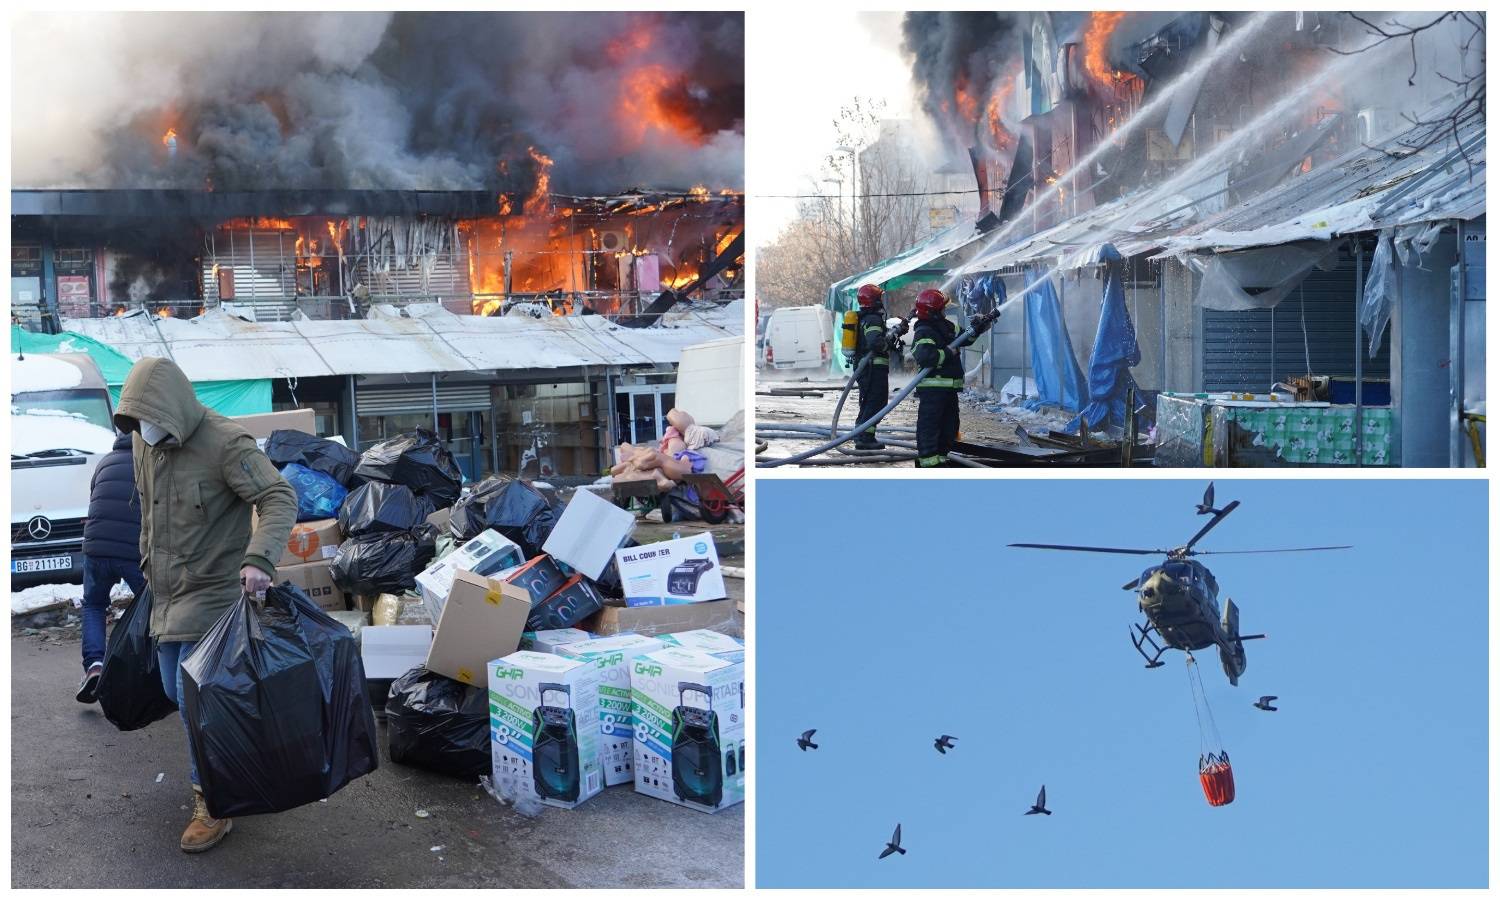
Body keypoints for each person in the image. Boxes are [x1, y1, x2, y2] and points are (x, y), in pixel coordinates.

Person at [113, 357, 296, 854]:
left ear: (174, 409)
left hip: (215, 593)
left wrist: (260, 558)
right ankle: (232, 757)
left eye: (151, 420)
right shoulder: (141, 441)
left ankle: (213, 803)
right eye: (136, 422)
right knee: (182, 696)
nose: (145, 431)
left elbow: (279, 496)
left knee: (192, 698)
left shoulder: (225, 442)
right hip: (166, 594)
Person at [75, 430, 146, 704]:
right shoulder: (149, 462)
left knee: (93, 605)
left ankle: (95, 666)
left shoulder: (104, 462)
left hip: (95, 548)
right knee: (153, 607)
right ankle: (146, 672)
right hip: (132, 550)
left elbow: (96, 497)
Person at [909, 288, 985, 468]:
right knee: (930, 426)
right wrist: (947, 353)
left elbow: (964, 338)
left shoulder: (946, 325)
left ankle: (941, 459)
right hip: (933, 390)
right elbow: (925, 357)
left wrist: (978, 327)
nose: (945, 311)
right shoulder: (924, 331)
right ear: (933, 312)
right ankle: (928, 462)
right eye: (942, 308)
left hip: (949, 389)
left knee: (949, 426)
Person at [850, 283, 890, 450]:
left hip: (867, 368)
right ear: (875, 301)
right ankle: (865, 437)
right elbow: (875, 342)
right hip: (873, 368)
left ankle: (862, 434)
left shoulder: (865, 317)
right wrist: (888, 345)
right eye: (879, 298)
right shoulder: (873, 318)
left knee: (869, 402)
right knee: (875, 403)